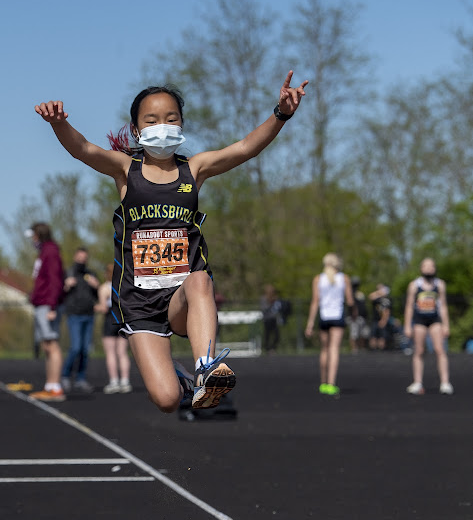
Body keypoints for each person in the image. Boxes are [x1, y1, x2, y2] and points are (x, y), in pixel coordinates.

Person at [34, 71, 308, 413]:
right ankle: (181, 381)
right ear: (136, 130)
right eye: (151, 120)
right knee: (165, 400)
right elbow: (83, 149)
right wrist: (58, 124)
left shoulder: (194, 169)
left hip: (182, 299)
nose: (162, 125)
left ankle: (207, 368)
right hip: (139, 303)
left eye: (170, 118)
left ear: (181, 124)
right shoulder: (125, 169)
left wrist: (281, 114)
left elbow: (245, 148)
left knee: (199, 278)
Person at [304, 253, 355, 395]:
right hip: (337, 317)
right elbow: (350, 301)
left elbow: (315, 302)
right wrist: (354, 313)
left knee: (324, 350)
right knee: (334, 349)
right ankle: (332, 383)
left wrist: (310, 324)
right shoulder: (344, 278)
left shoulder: (318, 279)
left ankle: (323, 383)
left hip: (324, 317)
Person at [27, 222, 66, 402]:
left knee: (52, 344)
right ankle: (50, 385)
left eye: (33, 235)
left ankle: (55, 387)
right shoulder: (44, 252)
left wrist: (51, 306)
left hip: (47, 305)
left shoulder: (50, 252)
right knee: (46, 346)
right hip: (41, 303)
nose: (32, 239)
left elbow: (55, 280)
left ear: (39, 235)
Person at [403, 257, 453, 395]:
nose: (429, 269)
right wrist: (407, 325)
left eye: (432, 266)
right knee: (419, 351)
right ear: (421, 268)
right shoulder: (414, 285)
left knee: (439, 349)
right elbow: (409, 306)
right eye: (426, 266)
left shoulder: (440, 285)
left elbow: (443, 306)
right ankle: (417, 382)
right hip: (420, 320)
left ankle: (445, 382)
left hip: (435, 319)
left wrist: (446, 325)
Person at [61, 246, 99, 393]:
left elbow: (97, 296)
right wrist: (66, 286)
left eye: (85, 258)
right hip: (74, 314)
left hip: (88, 314)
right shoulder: (68, 273)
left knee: (85, 349)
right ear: (75, 257)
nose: (82, 260)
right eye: (80, 258)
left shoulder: (90, 274)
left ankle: (80, 378)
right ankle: (65, 375)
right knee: (75, 347)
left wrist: (96, 287)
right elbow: (60, 295)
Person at [96, 264, 133, 394]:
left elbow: (103, 307)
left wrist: (93, 307)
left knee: (111, 353)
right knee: (122, 353)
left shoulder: (104, 288)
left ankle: (114, 381)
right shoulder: (125, 285)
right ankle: (125, 381)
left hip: (109, 320)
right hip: (123, 320)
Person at [260, 284, 290, 353]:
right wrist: (270, 302)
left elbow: (279, 308)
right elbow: (264, 308)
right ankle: (267, 348)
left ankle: (273, 348)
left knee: (277, 335)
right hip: (267, 319)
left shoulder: (275, 299)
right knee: (267, 334)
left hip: (274, 319)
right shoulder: (263, 299)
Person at [347, 277, 369, 353]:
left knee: (363, 333)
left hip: (362, 316)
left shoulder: (359, 294)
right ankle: (354, 349)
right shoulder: (350, 293)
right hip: (354, 317)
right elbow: (351, 304)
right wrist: (354, 313)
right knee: (354, 333)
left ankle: (361, 348)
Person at [368, 283, 392, 351]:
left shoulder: (386, 300)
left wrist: (384, 320)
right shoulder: (376, 299)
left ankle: (381, 349)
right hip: (375, 319)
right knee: (373, 335)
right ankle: (373, 349)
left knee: (382, 336)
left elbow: (387, 311)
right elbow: (370, 296)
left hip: (382, 320)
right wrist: (379, 292)